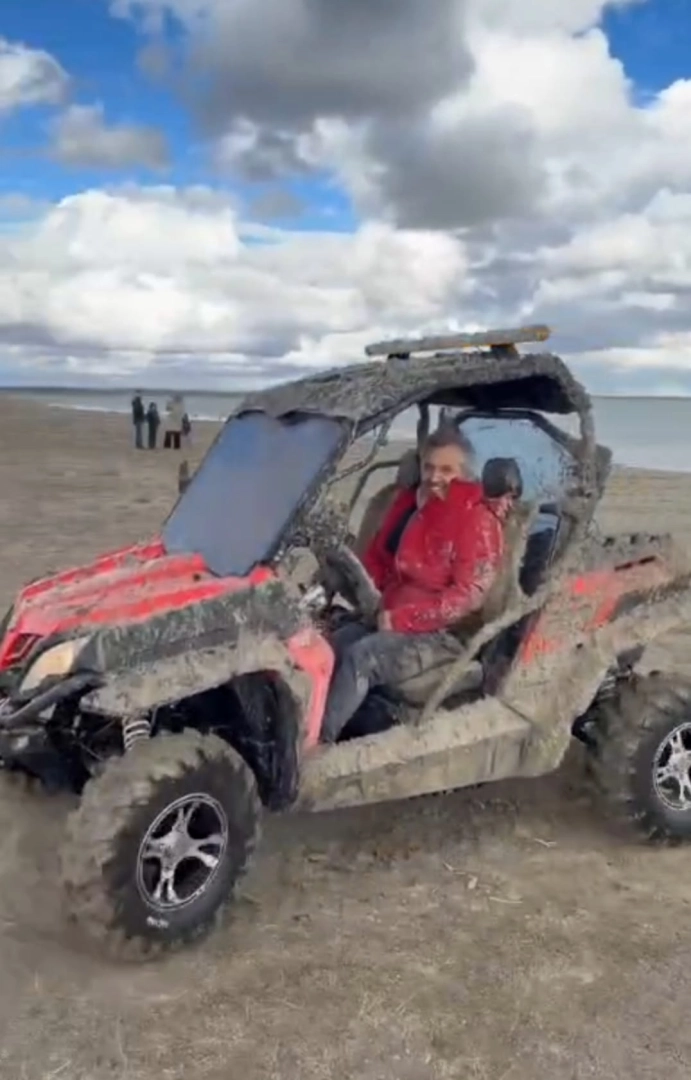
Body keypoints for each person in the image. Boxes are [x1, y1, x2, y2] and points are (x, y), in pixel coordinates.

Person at [319, 427, 513, 744]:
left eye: (446, 470)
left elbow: (467, 598)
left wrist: (402, 620)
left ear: (465, 474)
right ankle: (302, 728)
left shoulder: (477, 520)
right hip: (390, 613)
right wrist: (365, 592)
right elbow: (382, 559)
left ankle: (318, 749)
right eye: (429, 467)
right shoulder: (415, 505)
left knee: (362, 658)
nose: (434, 477)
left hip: (440, 634)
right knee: (328, 647)